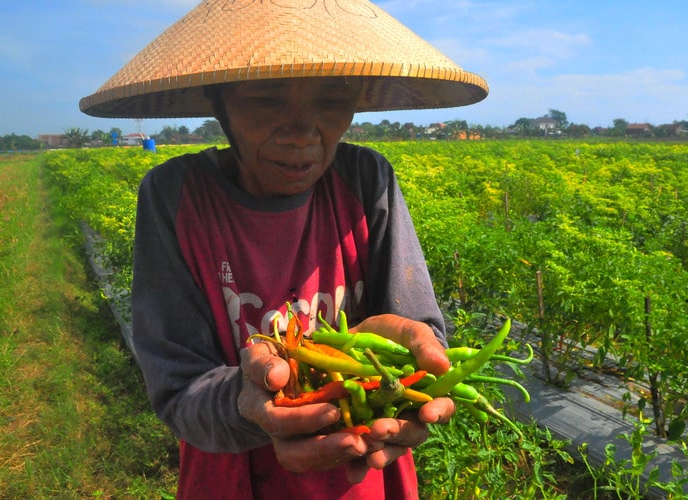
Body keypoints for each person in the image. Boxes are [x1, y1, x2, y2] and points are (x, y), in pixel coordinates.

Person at [80, 1, 488, 498]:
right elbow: (177, 387)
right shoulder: (176, 197)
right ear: (219, 102)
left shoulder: (366, 180)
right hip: (230, 479)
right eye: (266, 99)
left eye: (331, 101)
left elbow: (421, 339)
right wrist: (248, 403)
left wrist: (415, 372)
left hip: (363, 472)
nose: (301, 131)